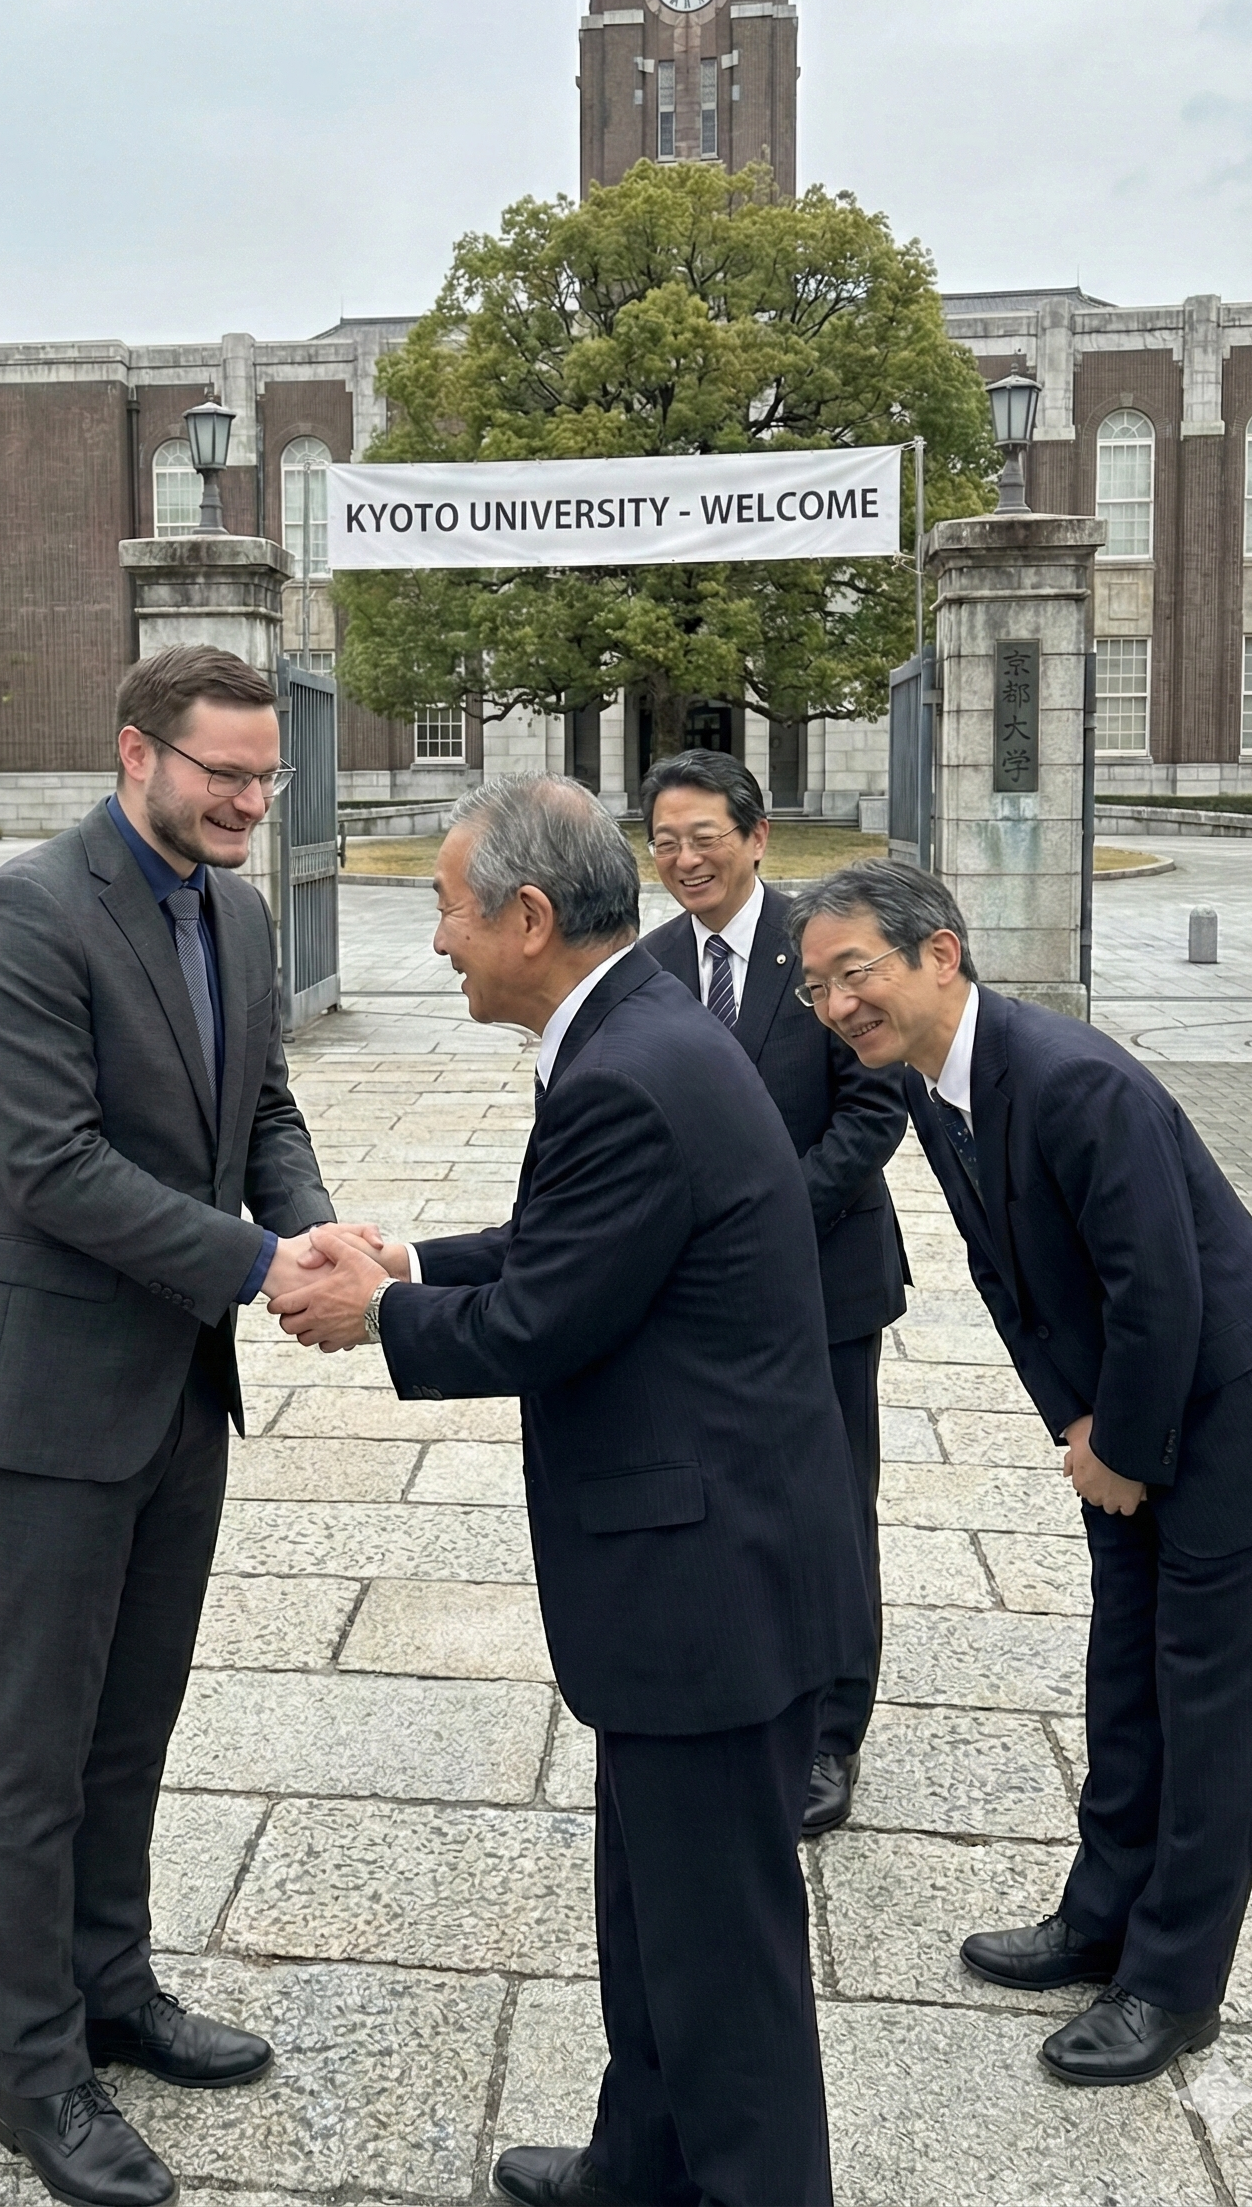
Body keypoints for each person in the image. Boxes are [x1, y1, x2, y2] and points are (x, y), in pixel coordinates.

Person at [274, 776, 870, 2207]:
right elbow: (574, 1243)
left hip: (706, 1588)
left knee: (724, 1970)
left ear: (530, 918)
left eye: (450, 914)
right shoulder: (637, 1027)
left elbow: (544, 1322)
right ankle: (640, 2168)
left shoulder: (627, 1070)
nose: (438, 946)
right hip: (705, 1574)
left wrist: (377, 1318)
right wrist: (413, 1259)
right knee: (653, 1917)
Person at [0, 646, 363, 2207]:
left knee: (135, 1719)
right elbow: (50, 1164)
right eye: (224, 773)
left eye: (264, 775)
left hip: (177, 1386)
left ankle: (114, 1988)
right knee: (34, 1750)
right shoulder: (25, 914)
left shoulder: (235, 910)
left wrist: (316, 1234)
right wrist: (254, 1264)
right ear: (136, 755)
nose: (250, 798)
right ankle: (33, 2078)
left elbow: (265, 1111)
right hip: (40, 1396)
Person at [789, 859, 1252, 2089]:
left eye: (853, 973)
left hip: (1240, 1425)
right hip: (1127, 1421)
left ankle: (1174, 1983)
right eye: (817, 986)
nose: (835, 1007)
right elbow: (1010, 1281)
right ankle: (1100, 1918)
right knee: (1123, 1678)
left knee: (1209, 1714)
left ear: (941, 953)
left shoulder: (1077, 1080)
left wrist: (1124, 1451)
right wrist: (1078, 1431)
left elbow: (1163, 1290)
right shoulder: (935, 1089)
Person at [641, 750, 908, 1834]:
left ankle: (832, 1736)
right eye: (665, 841)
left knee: (831, 1506)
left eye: (706, 836)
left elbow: (874, 1110)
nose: (686, 859)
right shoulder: (648, 963)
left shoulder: (822, 947)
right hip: (689, 1300)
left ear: (757, 838)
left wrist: (763, 1225)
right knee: (721, 1497)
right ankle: (743, 1689)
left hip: (821, 1280)